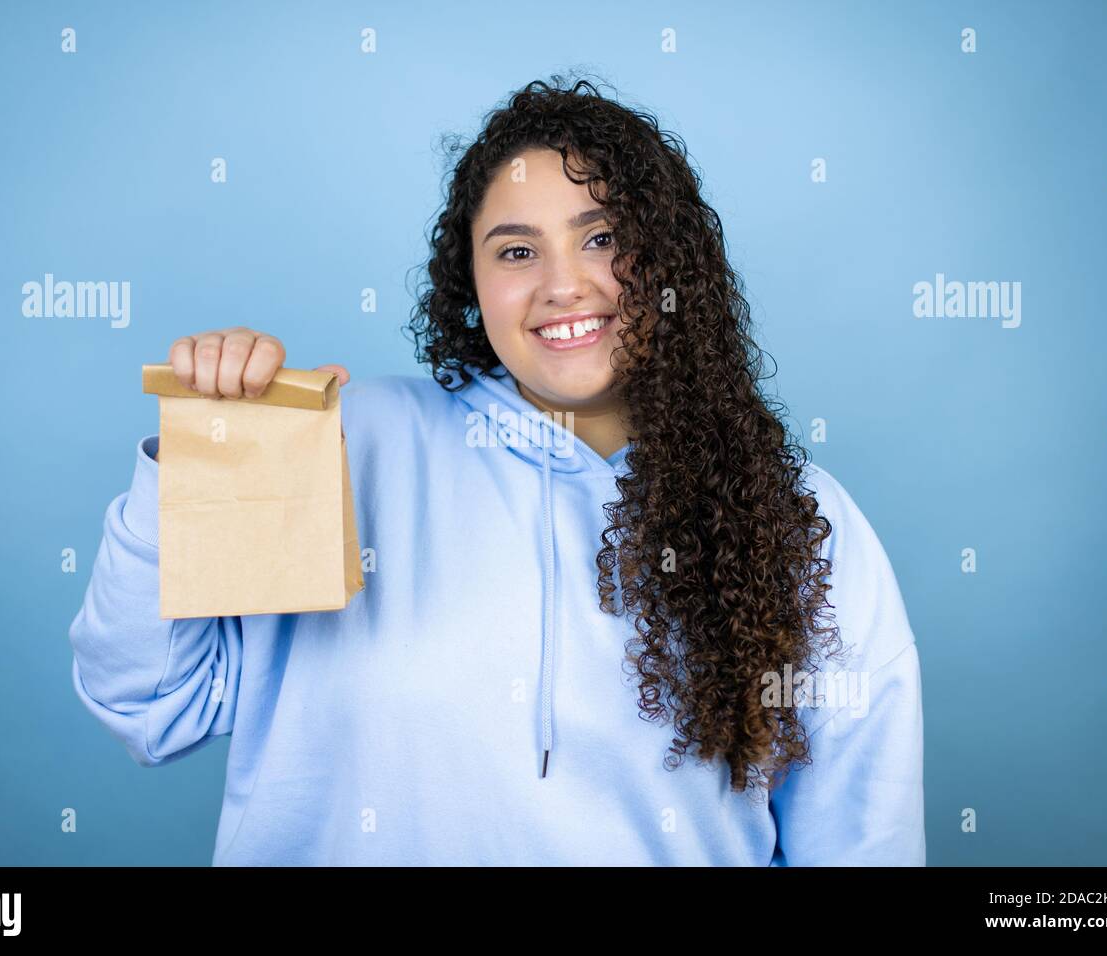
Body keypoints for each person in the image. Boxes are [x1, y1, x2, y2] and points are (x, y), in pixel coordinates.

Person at [69, 76, 925, 865]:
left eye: (604, 237)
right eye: (517, 252)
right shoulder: (344, 442)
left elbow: (862, 843)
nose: (564, 284)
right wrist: (201, 457)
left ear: (672, 261)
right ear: (472, 286)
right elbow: (152, 707)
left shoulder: (798, 518)